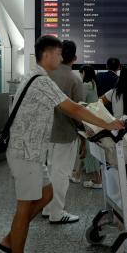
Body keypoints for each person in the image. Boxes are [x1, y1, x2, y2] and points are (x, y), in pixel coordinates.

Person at [0, 35, 123, 253]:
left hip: (33, 152)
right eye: (57, 54)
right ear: (46, 54)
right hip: (25, 152)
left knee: (46, 195)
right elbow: (73, 109)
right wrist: (107, 123)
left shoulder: (33, 75)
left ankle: (11, 237)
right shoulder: (41, 81)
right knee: (24, 206)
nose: (60, 57)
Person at [42, 40, 85, 224]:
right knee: (61, 172)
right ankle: (57, 212)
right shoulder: (74, 79)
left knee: (50, 170)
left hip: (46, 131)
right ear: (74, 58)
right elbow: (78, 111)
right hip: (65, 133)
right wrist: (84, 132)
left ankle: (47, 207)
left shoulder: (46, 74)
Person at [79, 65, 102, 189]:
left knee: (91, 152)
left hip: (88, 122)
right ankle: (97, 179)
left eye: (81, 73)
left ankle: (97, 180)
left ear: (84, 73)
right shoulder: (94, 84)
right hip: (95, 120)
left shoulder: (86, 85)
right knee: (94, 151)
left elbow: (80, 103)